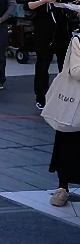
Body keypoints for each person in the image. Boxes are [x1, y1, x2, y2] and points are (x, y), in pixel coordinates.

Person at [23, 0, 78, 110]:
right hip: (44, 36)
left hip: (63, 36)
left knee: (64, 68)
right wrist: (45, 1)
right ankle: (41, 97)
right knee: (42, 67)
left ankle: (63, 95)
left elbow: (71, 10)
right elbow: (27, 5)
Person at [49, 33, 80, 207]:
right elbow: (75, 71)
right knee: (68, 143)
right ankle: (63, 187)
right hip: (75, 103)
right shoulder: (78, 40)